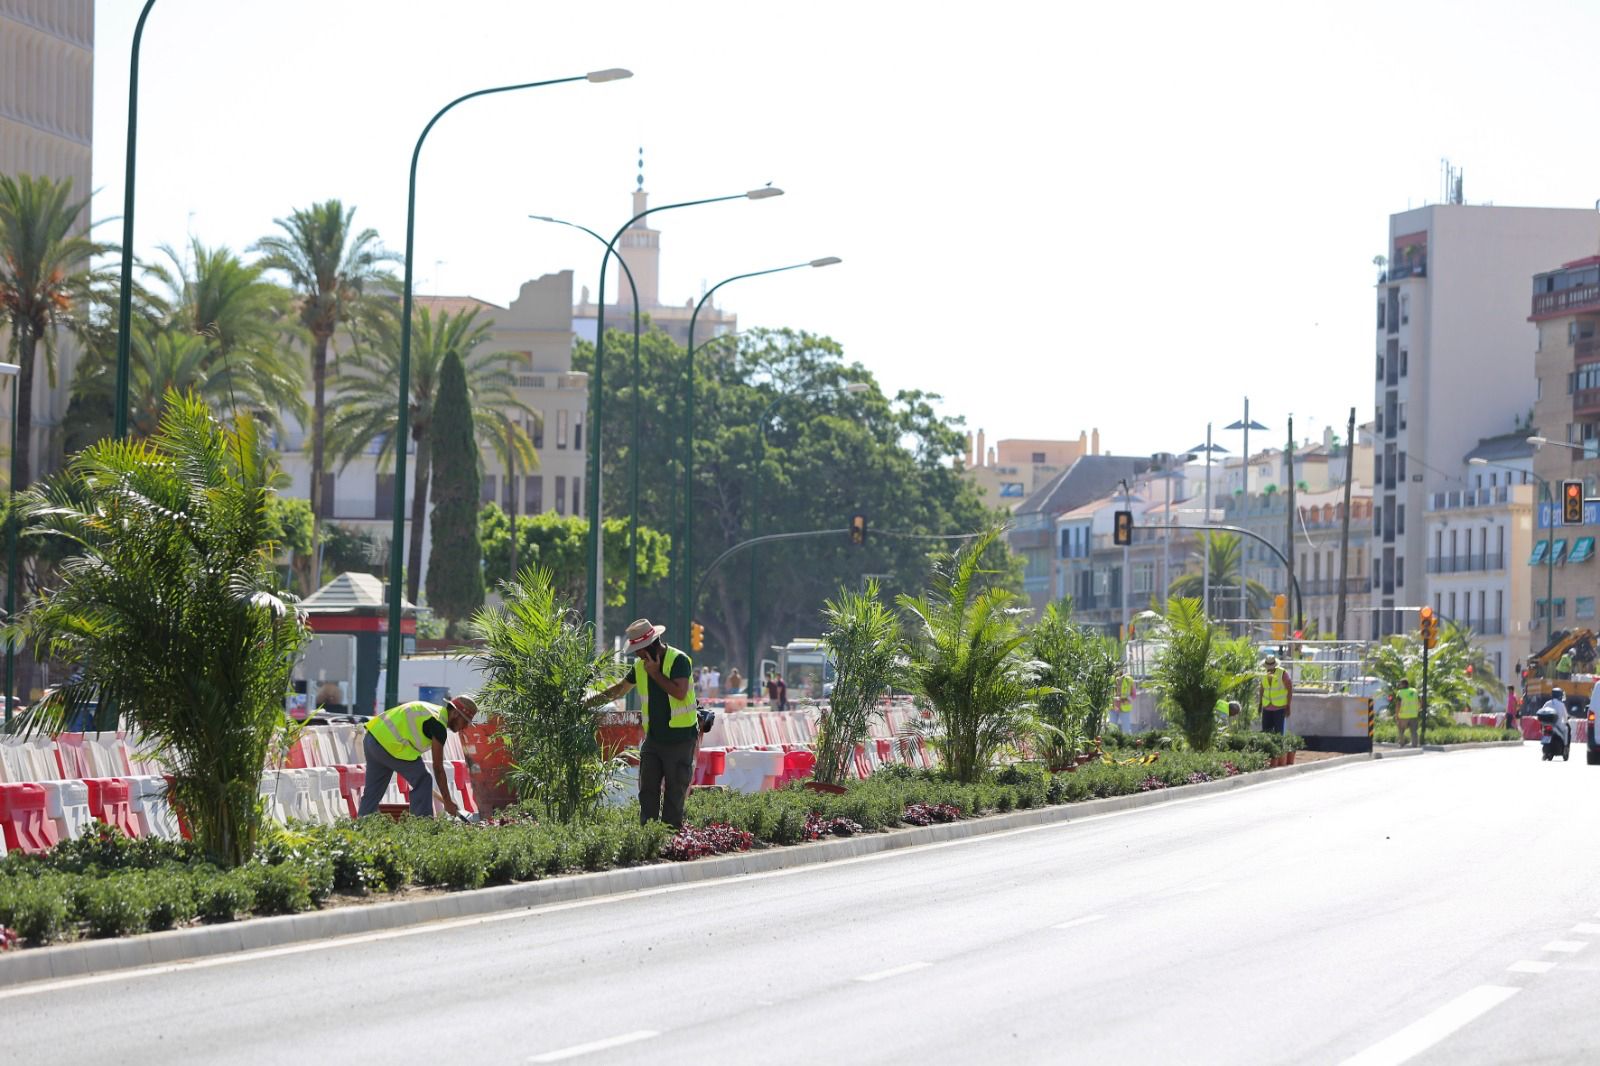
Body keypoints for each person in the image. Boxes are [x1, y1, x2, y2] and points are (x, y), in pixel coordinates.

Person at [594, 618, 698, 828]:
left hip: (680, 739)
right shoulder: (640, 666)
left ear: (650, 646)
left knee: (674, 790)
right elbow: (620, 689)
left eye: (639, 650)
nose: (637, 655)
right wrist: (589, 702)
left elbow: (679, 692)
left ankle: (670, 836)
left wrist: (656, 674)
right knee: (647, 788)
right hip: (654, 739)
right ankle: (648, 834)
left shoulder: (678, 660)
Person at [357, 694, 476, 818]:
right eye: (465, 721)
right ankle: (422, 826)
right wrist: (447, 801)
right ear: (456, 714)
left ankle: (362, 827)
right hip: (391, 746)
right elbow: (438, 768)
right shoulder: (438, 724)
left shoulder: (431, 711)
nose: (465, 726)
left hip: (372, 738)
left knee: (373, 792)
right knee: (424, 780)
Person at [1260, 655, 1293, 735]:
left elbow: (1289, 690)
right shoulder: (1263, 673)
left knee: (1279, 733)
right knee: (1266, 732)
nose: (1269, 669)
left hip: (1279, 708)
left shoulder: (1283, 673)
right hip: (1267, 707)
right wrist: (1260, 704)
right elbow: (1262, 689)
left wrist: (1288, 706)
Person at [1391, 683, 1420, 747]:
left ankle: (1401, 744)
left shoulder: (1400, 692)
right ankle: (1415, 745)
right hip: (1413, 715)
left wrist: (1397, 714)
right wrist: (1417, 710)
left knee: (1401, 730)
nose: (1399, 686)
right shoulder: (1414, 691)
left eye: (1400, 684)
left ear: (1403, 685)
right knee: (1414, 731)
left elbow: (1398, 704)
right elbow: (1419, 702)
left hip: (1403, 716)